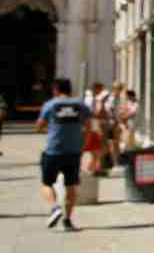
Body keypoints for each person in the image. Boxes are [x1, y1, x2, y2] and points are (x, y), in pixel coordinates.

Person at [35, 78, 92, 232]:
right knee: (71, 185)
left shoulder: (50, 104)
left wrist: (48, 128)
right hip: (73, 151)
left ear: (55, 89)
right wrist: (83, 145)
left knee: (47, 183)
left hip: (53, 150)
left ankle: (55, 208)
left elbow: (39, 125)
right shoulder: (81, 105)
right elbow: (88, 127)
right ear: (70, 89)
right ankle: (67, 220)